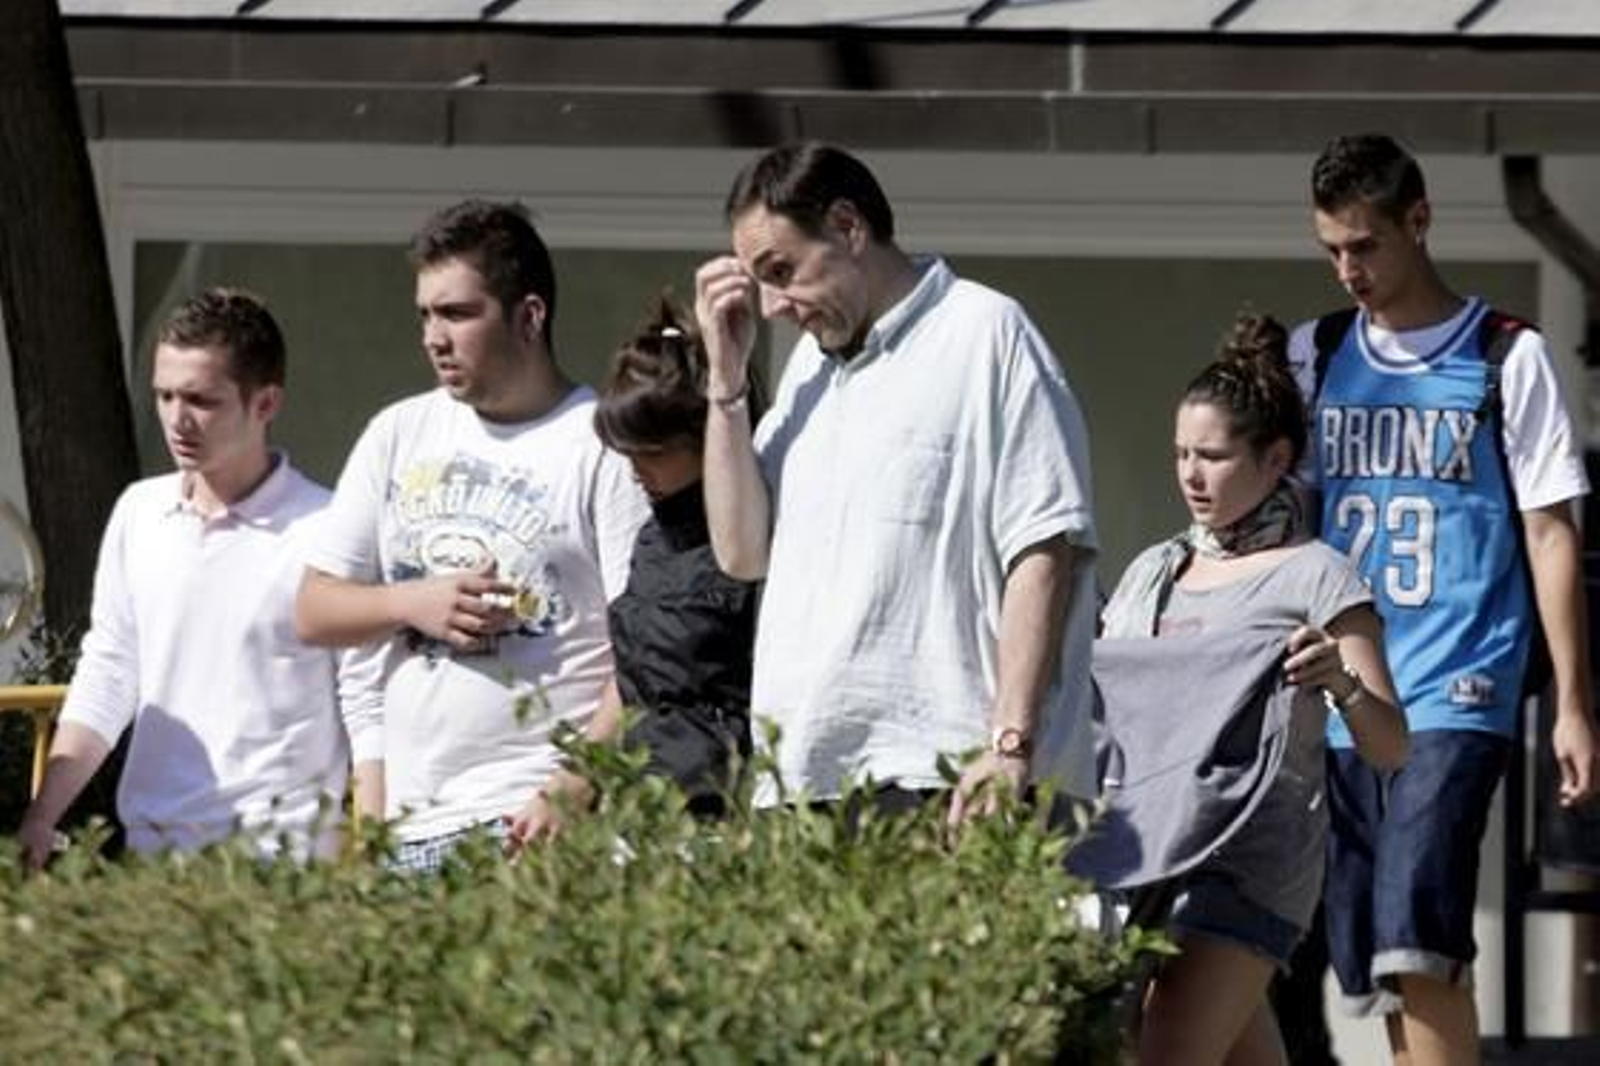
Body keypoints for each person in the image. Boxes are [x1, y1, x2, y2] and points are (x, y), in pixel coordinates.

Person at [1293, 133, 1600, 1065]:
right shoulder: (1321, 350)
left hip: (1463, 685)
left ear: (1418, 221)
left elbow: (1552, 535)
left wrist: (1574, 707)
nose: (1349, 269)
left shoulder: (1510, 355)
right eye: (1332, 250)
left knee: (1414, 918)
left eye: (1366, 246)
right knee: (1378, 951)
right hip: (1352, 691)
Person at [693, 140, 1098, 821]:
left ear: (849, 228)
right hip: (800, 779)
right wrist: (726, 385)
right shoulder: (807, 374)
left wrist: (1009, 744)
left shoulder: (984, 331)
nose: (769, 306)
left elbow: (1042, 548)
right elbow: (741, 552)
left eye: (781, 270)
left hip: (949, 775)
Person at [1093, 313, 1409, 1066]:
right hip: (1147, 852)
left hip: (1254, 861)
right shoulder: (1152, 571)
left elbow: (1392, 745)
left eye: (1213, 456)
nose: (1191, 476)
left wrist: (1341, 683)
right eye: (1180, 455)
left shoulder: (1317, 575)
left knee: (1164, 1046)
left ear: (1276, 460)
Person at [294, 200, 647, 871]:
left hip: (532, 824)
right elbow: (314, 609)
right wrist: (412, 603)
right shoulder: (398, 432)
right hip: (407, 826)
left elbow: (648, 652)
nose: (433, 336)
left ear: (529, 317)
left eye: (457, 313)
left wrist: (571, 789)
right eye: (425, 314)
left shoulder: (601, 447)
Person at [17, 288, 382, 867]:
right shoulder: (139, 512)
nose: (176, 419)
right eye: (163, 395)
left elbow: (366, 702)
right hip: (152, 857)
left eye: (201, 400)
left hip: (283, 864)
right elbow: (110, 672)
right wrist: (42, 815)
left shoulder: (327, 530)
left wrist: (376, 849)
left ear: (265, 403)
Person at [593, 297, 762, 815]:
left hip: (724, 805)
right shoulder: (650, 539)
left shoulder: (757, 535)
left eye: (656, 452)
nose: (637, 470)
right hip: (644, 808)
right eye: (628, 452)